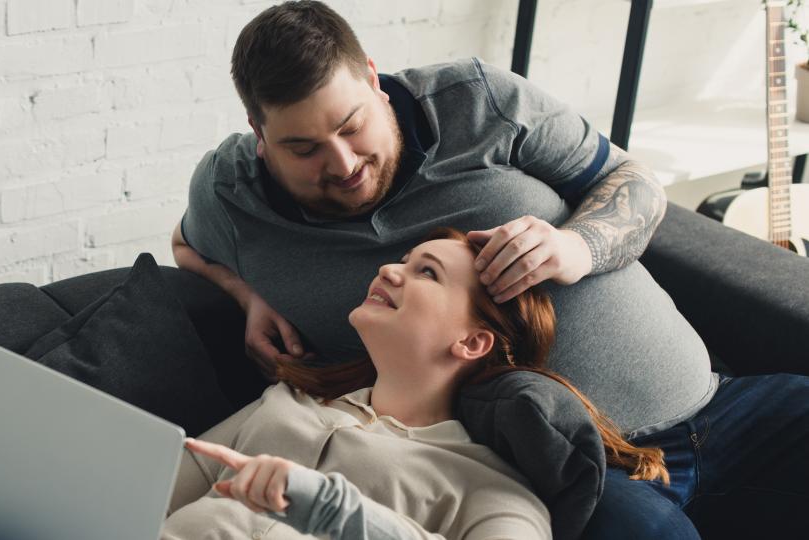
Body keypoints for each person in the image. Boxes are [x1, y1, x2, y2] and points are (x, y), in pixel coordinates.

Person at [172, 1, 808, 537]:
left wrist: (577, 246)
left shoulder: (475, 100)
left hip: (718, 400)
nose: (341, 164)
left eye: (352, 126)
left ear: (372, 79)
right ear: (259, 134)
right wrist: (244, 293)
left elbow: (634, 180)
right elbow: (184, 244)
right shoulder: (230, 195)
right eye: (303, 149)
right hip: (581, 476)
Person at [163, 228, 667, 539]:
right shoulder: (288, 401)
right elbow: (153, 486)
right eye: (403, 260)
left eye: (426, 272)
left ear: (472, 342)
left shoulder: (489, 489)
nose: (389, 269)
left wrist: (327, 508)